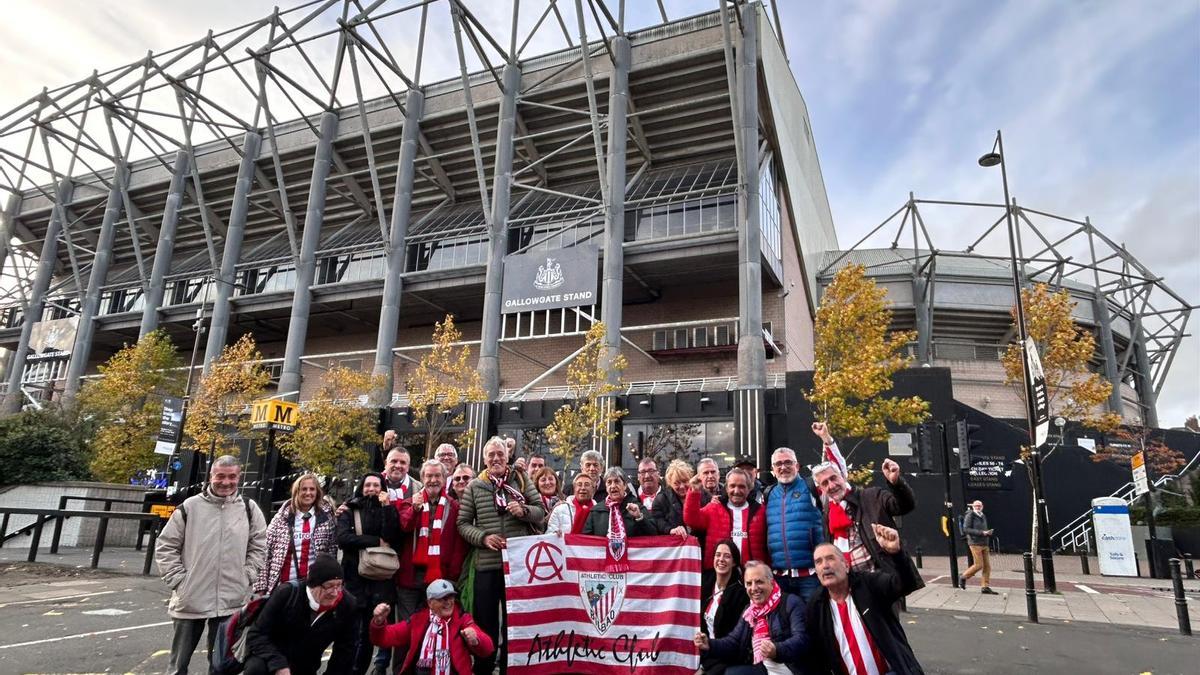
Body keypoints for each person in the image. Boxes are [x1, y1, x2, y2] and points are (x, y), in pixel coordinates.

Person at [156, 455, 267, 675]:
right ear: (211, 477)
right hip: (191, 597)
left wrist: (247, 575)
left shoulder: (248, 508)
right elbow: (166, 546)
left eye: (232, 476)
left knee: (221, 666)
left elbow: (259, 546)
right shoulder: (190, 507)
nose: (226, 482)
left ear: (239, 477)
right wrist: (179, 580)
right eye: (221, 476)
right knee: (178, 666)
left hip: (231, 598)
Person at [457, 436, 545, 675]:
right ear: (484, 459)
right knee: (485, 623)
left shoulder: (521, 479)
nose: (496, 458)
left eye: (500, 454)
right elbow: (463, 524)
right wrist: (483, 538)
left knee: (514, 624)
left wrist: (524, 510)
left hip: (516, 566)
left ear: (507, 457)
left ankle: (509, 668)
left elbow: (541, 512)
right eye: (491, 455)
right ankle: (484, 669)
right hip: (486, 564)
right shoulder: (475, 486)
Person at [806, 528, 925, 674]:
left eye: (830, 558)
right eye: (818, 562)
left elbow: (905, 584)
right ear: (816, 573)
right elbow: (817, 655)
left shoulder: (868, 584)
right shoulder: (816, 605)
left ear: (846, 565)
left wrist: (897, 554)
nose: (825, 565)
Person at [243, 554, 357, 675]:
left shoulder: (347, 604)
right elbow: (256, 634)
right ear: (313, 585)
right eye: (329, 586)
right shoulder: (287, 594)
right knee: (256, 668)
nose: (335, 593)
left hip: (306, 666)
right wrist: (279, 665)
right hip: (271, 659)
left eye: (339, 585)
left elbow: (345, 651)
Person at [338, 472, 405, 675]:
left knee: (368, 635)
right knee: (350, 634)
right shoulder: (350, 509)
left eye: (377, 485)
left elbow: (392, 536)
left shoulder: (387, 509)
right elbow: (343, 538)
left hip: (379, 582)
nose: (372, 489)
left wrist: (387, 508)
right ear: (361, 487)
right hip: (353, 581)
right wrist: (374, 541)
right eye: (368, 485)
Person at [693, 560, 809, 675]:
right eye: (749, 583)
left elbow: (801, 639)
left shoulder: (791, 602)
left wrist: (776, 650)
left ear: (772, 583)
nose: (754, 588)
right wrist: (709, 644)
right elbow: (734, 642)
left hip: (790, 669)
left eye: (759, 582)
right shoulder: (750, 610)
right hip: (762, 668)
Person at [763, 423, 834, 604]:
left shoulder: (812, 486)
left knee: (813, 624)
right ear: (772, 469)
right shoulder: (768, 494)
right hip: (779, 578)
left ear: (797, 465)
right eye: (778, 464)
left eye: (788, 462)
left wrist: (827, 440)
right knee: (785, 627)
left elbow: (837, 474)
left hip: (810, 576)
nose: (783, 467)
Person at [812, 452, 915, 575]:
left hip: (881, 580)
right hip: (850, 583)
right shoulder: (827, 515)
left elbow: (904, 506)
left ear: (843, 476)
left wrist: (896, 483)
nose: (832, 485)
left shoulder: (872, 496)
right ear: (821, 489)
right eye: (825, 483)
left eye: (833, 478)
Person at [369, 579, 495, 675]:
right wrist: (378, 622)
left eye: (451, 597)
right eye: (442, 599)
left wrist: (476, 640)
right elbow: (384, 638)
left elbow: (488, 649)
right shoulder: (418, 620)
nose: (448, 602)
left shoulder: (463, 619)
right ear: (430, 602)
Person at [255, 473, 337, 595]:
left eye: (312, 489)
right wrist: (261, 586)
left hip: (314, 586)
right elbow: (265, 552)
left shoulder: (326, 518)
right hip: (282, 584)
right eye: (304, 489)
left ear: (317, 492)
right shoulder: (281, 518)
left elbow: (332, 551)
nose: (308, 493)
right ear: (296, 492)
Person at [684, 468, 768, 570]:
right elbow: (692, 520)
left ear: (749, 488)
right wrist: (694, 491)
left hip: (753, 574)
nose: (736, 491)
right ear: (726, 488)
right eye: (732, 486)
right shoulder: (714, 507)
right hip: (719, 572)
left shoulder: (761, 511)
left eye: (741, 486)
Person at [699, 540, 750, 675]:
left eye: (727, 556)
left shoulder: (741, 595)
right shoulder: (705, 584)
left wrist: (704, 668)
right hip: (703, 654)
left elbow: (734, 643)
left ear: (734, 562)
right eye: (718, 555)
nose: (721, 559)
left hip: (725, 658)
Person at [581, 467, 656, 538]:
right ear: (606, 487)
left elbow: (653, 533)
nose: (613, 486)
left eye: (617, 481)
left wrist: (639, 518)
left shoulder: (637, 507)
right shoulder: (596, 511)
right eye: (609, 482)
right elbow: (586, 541)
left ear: (625, 485)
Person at [959, 500, 996, 594]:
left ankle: (985, 587)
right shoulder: (970, 515)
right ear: (973, 507)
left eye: (979, 505)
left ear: (982, 506)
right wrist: (982, 533)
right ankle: (963, 577)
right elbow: (966, 529)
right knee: (979, 565)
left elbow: (983, 528)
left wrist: (987, 533)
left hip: (984, 543)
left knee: (987, 567)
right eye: (976, 506)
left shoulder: (983, 515)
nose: (978, 507)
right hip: (975, 543)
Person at [652, 459, 694, 536]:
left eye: (685, 481)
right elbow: (657, 521)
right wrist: (670, 530)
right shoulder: (661, 500)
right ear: (670, 483)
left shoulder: (702, 495)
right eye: (676, 483)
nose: (682, 486)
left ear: (691, 479)